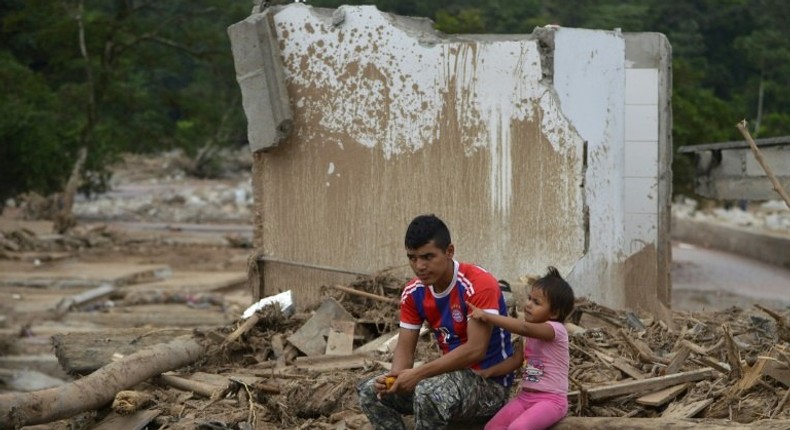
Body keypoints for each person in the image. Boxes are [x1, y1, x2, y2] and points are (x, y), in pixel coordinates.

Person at [357, 214, 515, 430]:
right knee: (370, 390)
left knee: (428, 392)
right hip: (446, 380)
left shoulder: (478, 284)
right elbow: (404, 350)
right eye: (412, 258)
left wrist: (418, 374)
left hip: (489, 386)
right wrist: (394, 378)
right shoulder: (414, 292)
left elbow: (476, 350)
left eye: (427, 257)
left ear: (449, 251)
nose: (419, 266)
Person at [467, 266, 575, 430]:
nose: (528, 305)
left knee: (517, 428)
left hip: (551, 401)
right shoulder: (530, 333)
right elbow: (516, 360)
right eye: (529, 298)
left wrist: (488, 316)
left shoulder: (555, 329)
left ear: (554, 313)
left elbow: (522, 327)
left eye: (536, 302)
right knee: (492, 427)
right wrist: (488, 372)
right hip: (525, 397)